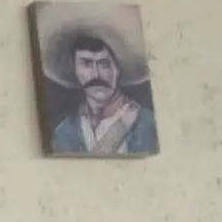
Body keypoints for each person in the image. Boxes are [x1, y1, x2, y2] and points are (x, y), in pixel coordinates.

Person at [44, 27, 158, 155]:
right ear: (75, 69)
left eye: (104, 64)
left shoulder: (147, 124)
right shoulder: (64, 132)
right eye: (86, 64)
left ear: (118, 69)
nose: (96, 74)